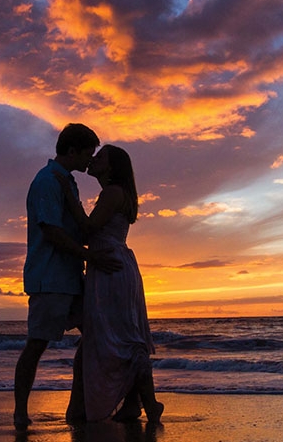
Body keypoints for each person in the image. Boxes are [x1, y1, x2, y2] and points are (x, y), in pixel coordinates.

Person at [14, 124, 121, 430]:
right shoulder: (48, 181)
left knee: (96, 336)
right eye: (88, 152)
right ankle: (20, 412)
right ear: (72, 151)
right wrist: (90, 256)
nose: (91, 158)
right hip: (50, 277)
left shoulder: (67, 182)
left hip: (72, 276)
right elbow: (50, 231)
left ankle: (81, 403)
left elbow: (78, 228)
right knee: (36, 345)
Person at [57, 144, 163, 424]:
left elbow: (89, 229)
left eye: (101, 156)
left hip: (109, 267)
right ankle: (132, 404)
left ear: (112, 167)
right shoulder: (117, 194)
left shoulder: (113, 193)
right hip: (111, 264)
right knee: (115, 336)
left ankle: (149, 403)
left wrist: (68, 196)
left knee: (122, 339)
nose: (93, 159)